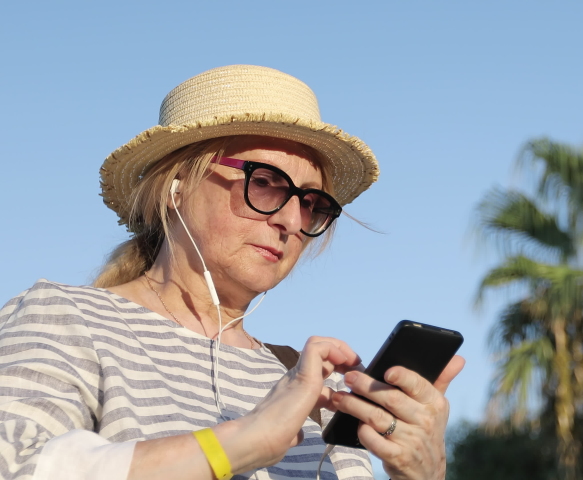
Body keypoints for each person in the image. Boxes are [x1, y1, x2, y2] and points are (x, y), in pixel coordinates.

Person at [0, 65, 465, 480]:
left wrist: (421, 474)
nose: (290, 221)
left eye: (311, 203)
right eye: (264, 183)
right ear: (176, 188)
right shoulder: (66, 318)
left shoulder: (313, 388)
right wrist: (242, 443)